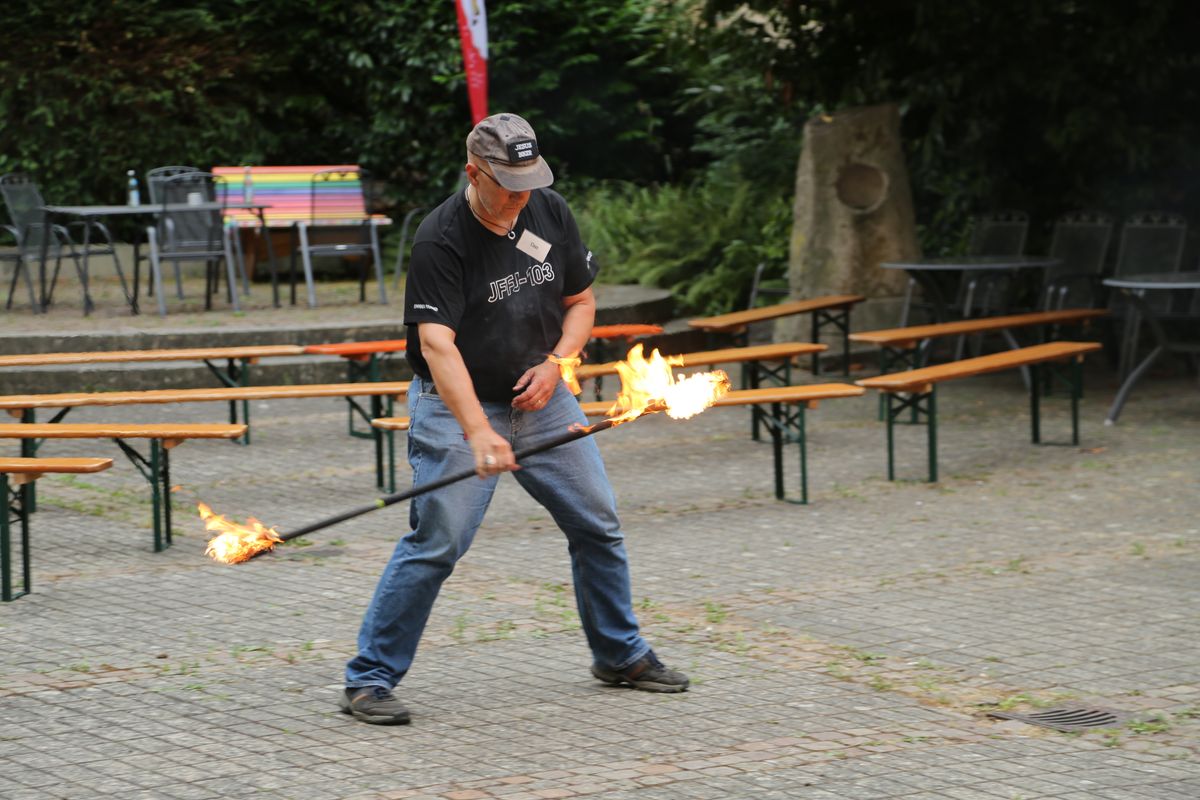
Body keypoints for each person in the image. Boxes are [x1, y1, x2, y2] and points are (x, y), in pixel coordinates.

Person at [339, 113, 688, 725]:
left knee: (598, 525)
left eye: (530, 180)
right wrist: (479, 430)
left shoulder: (548, 211)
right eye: (509, 183)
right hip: (457, 406)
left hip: (543, 396)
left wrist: (558, 363)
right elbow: (436, 347)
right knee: (437, 543)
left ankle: (619, 655)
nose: (522, 195)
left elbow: (580, 303)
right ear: (475, 173)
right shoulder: (440, 239)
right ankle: (369, 679)